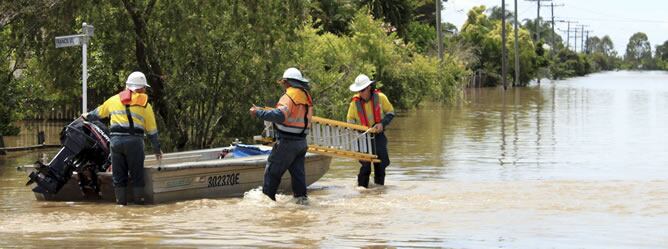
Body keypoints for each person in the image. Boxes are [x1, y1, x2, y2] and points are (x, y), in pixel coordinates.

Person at [83, 71, 162, 205]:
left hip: (116, 143)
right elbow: (152, 132)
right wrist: (157, 150)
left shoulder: (113, 100)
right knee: (137, 177)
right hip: (135, 143)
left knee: (118, 177)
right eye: (144, 88)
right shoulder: (145, 105)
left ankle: (121, 205)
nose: (145, 91)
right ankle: (139, 205)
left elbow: (96, 114)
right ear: (139, 88)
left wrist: (85, 116)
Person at [249, 67, 313, 203]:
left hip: (287, 143)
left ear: (287, 82)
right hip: (301, 143)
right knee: (298, 177)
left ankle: (267, 202)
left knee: (272, 172)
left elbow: (280, 115)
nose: (283, 86)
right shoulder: (306, 97)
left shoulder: (289, 96)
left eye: (283, 83)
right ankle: (302, 203)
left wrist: (258, 113)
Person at [346, 74, 395, 188]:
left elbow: (390, 112)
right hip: (362, 137)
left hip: (378, 135)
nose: (361, 93)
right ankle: (362, 190)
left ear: (369, 87)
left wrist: (382, 124)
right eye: (359, 91)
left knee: (381, 164)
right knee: (366, 166)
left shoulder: (381, 97)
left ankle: (379, 190)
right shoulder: (354, 103)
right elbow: (350, 120)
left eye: (363, 90)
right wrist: (354, 129)